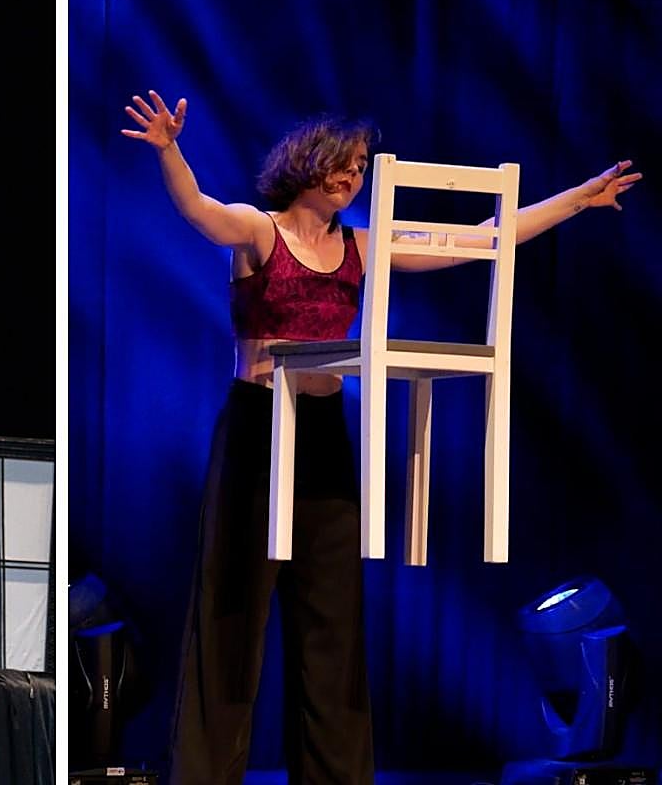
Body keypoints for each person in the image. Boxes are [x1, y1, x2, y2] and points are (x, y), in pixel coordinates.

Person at [120, 90, 641, 785]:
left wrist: (577, 199)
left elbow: (481, 240)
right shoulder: (259, 231)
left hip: (323, 435)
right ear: (307, 163)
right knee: (231, 613)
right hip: (257, 430)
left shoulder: (360, 246)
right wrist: (169, 150)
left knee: (331, 620)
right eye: (344, 162)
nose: (352, 175)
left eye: (362, 166)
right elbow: (199, 210)